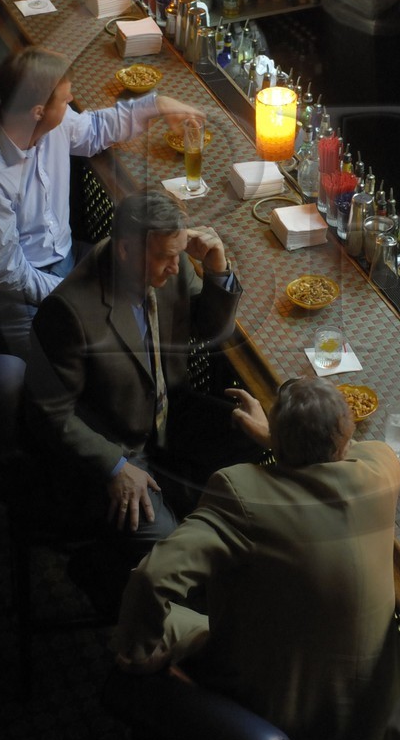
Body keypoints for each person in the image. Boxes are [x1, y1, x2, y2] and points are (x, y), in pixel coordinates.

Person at [115, 377, 400, 740]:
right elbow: (350, 452)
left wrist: (137, 651)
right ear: (344, 441)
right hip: (376, 716)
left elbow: (152, 578)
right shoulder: (383, 470)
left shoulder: (242, 492)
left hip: (281, 726)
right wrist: (284, 439)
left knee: (153, 620)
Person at [0, 51, 202, 358]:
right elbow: (5, 273)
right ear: (39, 111)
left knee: (146, 289)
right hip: (12, 295)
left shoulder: (41, 123)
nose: (71, 101)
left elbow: (93, 130)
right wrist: (74, 293)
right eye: (65, 101)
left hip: (64, 258)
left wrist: (157, 105)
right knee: (98, 356)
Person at [24, 190, 241, 561]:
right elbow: (49, 414)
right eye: (166, 258)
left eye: (179, 254)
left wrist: (218, 269)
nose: (176, 267)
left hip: (167, 415)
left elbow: (208, 329)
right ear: (125, 250)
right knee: (170, 549)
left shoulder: (167, 264)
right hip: (117, 446)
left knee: (250, 440)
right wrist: (114, 465)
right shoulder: (69, 313)